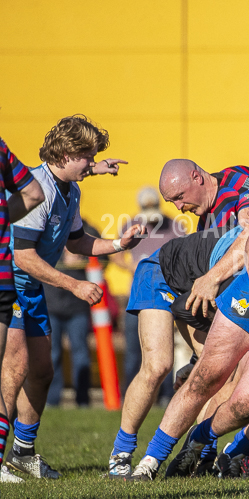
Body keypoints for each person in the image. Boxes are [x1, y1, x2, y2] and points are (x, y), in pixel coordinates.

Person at [108, 159, 249, 479]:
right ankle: (121, 454)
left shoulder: (236, 188)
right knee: (158, 365)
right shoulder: (211, 214)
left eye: (178, 196)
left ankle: (201, 452)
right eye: (171, 202)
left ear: (196, 177)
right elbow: (207, 271)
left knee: (218, 373)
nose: (178, 207)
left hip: (195, 286)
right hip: (158, 275)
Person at [2, 115, 145, 480]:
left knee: (42, 371)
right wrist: (74, 285)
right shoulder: (38, 188)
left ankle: (22, 453)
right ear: (67, 153)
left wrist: (118, 244)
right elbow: (23, 255)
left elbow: (77, 241)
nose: (92, 164)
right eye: (88, 156)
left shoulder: (71, 191)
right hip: (11, 284)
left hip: (30, 289)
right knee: (13, 371)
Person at [112, 186, 186, 398]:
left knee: (164, 351)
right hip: (136, 296)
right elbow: (115, 254)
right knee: (134, 352)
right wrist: (130, 267)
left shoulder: (175, 226)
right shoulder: (131, 225)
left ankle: (164, 398)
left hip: (166, 297)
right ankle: (130, 397)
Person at [0, 138, 44, 483]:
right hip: (6, 279)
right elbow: (31, 193)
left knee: (31, 368)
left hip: (16, 287)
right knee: (13, 368)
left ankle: (19, 453)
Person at [44, 222, 104, 407]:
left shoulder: (89, 231)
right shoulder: (47, 227)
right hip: (51, 303)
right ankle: (52, 401)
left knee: (80, 354)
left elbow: (102, 264)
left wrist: (83, 259)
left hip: (79, 306)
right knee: (52, 355)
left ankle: (83, 401)